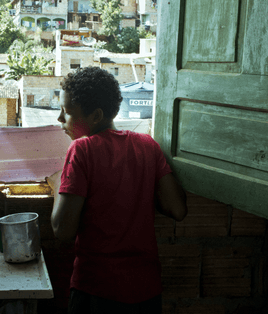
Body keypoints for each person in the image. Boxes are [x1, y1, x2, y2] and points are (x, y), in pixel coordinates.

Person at [49, 67, 187, 314]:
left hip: (97, 292)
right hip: (146, 292)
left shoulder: (82, 150)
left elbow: (62, 230)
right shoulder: (147, 145)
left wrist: (58, 184)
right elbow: (177, 208)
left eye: (67, 112)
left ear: (96, 115)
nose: (60, 119)